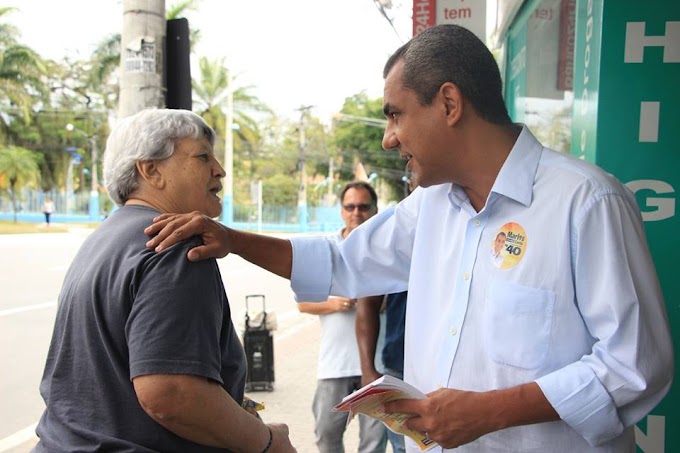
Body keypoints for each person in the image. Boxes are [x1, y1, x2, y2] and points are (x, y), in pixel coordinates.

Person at [144, 24, 674, 452]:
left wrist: (487, 411)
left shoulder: (586, 203)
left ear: (448, 103)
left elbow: (635, 365)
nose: (388, 137)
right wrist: (232, 239)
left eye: (396, 114)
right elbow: (341, 261)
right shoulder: (431, 207)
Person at [34, 108, 295, 453]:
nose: (220, 169)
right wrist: (267, 442)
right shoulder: (176, 244)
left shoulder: (105, 238)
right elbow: (171, 394)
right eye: (203, 156)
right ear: (151, 170)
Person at [297, 180, 387, 453]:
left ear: (375, 209)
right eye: (350, 206)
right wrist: (335, 304)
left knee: (373, 443)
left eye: (363, 206)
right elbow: (304, 304)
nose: (356, 212)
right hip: (334, 364)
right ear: (341, 210)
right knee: (326, 435)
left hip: (377, 365)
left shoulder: (387, 251)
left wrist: (375, 302)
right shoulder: (327, 250)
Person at [355, 290, 407, 453]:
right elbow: (368, 300)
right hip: (399, 366)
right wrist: (368, 370)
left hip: (456, 366)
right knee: (403, 446)